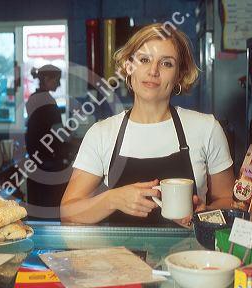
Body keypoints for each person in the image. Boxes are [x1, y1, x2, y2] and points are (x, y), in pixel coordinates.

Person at [60, 23, 235, 225]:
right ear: (128, 66)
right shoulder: (101, 133)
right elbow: (68, 211)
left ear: (179, 74)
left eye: (166, 63)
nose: (153, 71)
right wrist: (112, 199)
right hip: (119, 256)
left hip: (188, 256)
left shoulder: (207, 128)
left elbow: (229, 200)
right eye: (144, 60)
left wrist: (204, 214)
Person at [25, 64, 72, 214]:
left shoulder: (33, 98)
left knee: (37, 208)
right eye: (56, 80)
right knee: (52, 209)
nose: (58, 84)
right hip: (49, 162)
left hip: (35, 160)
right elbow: (59, 134)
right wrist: (72, 135)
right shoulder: (48, 102)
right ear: (46, 79)